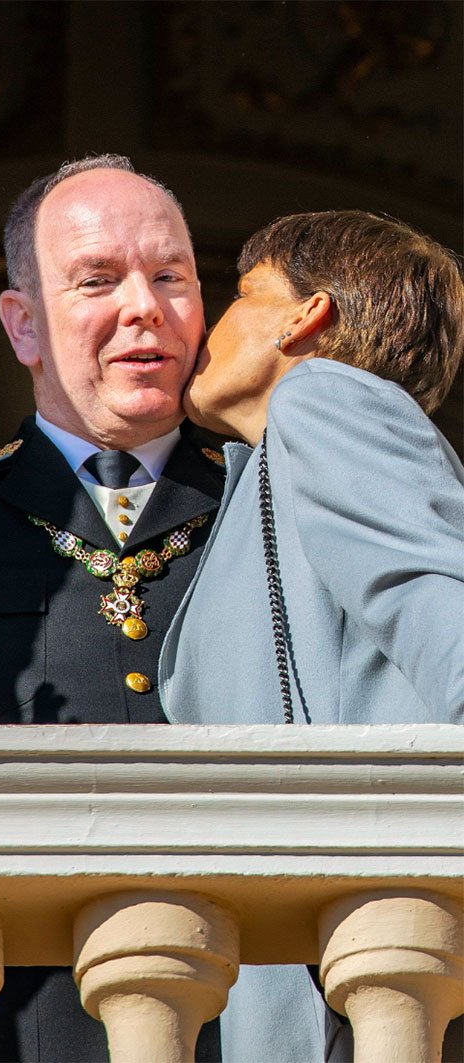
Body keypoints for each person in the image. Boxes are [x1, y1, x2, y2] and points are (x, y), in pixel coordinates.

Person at [0, 154, 224, 1062]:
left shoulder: (270, 503)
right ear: (24, 325)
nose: (145, 307)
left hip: (232, 1007)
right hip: (3, 1017)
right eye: (97, 280)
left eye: (171, 277)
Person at [160, 209, 464, 1062]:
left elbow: (435, 601)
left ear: (306, 317)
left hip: (372, 969)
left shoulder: (327, 400)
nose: (209, 326)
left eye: (240, 294)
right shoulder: (263, 470)